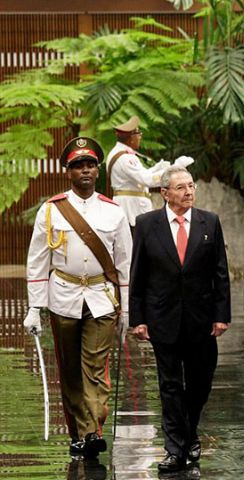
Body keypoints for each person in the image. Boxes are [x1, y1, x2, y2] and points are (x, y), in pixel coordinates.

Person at [23, 136, 132, 458]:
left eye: (89, 165)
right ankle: (79, 434)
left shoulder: (114, 211)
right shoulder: (51, 210)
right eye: (77, 166)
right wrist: (34, 307)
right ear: (67, 172)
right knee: (70, 369)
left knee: (95, 368)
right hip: (64, 297)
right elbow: (37, 261)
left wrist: (127, 309)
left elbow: (125, 264)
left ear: (97, 170)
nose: (84, 170)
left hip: (100, 296)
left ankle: (92, 431)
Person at [129, 166, 231, 473]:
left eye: (191, 186)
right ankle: (175, 448)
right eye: (181, 187)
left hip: (202, 318)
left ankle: (189, 430)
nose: (188, 192)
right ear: (165, 193)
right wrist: (139, 318)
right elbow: (139, 275)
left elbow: (220, 273)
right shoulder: (147, 224)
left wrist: (221, 315)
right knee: (170, 385)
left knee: (200, 382)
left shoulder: (208, 222)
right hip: (163, 317)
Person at [107, 116, 194, 229]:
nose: (140, 138)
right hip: (131, 208)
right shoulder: (126, 158)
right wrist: (173, 169)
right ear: (131, 138)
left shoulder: (119, 153)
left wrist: (157, 168)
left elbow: (139, 175)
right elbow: (147, 180)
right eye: (139, 135)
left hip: (131, 205)